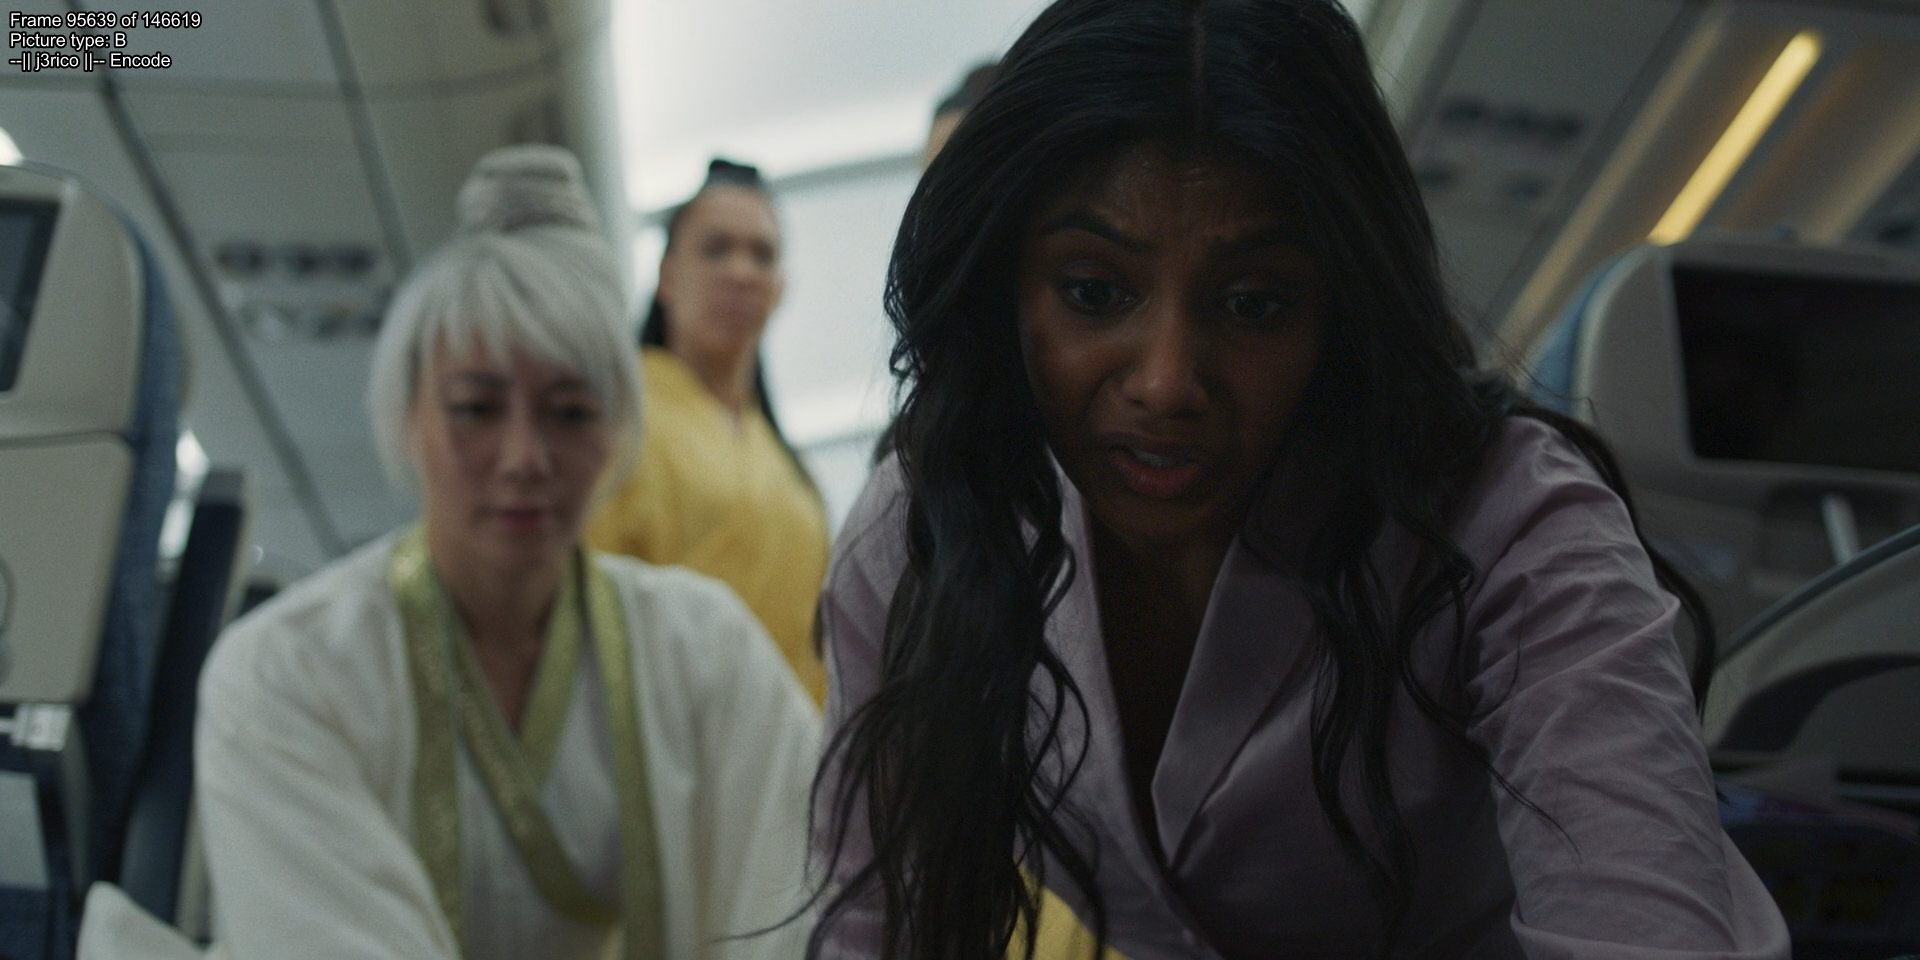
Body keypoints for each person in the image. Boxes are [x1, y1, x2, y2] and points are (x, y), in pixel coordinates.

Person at [810, 1, 1790, 958]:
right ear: (1002, 292)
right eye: (1093, 291)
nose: (1167, 381)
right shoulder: (920, 533)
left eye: (1253, 304)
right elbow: (869, 927)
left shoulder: (1513, 521)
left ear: (1341, 313)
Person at [194, 145, 818, 960]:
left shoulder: (710, 654)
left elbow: (797, 899)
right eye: (475, 408)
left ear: (617, 435)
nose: (524, 457)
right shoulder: (287, 673)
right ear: (409, 416)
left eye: (569, 412)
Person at [588, 159, 831, 706]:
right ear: (667, 276)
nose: (742, 272)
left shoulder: (791, 472)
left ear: (780, 288)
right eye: (716, 249)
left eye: (762, 255)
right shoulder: (613, 421)